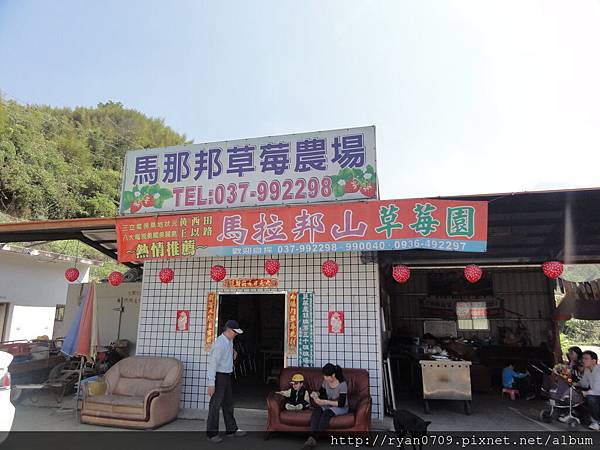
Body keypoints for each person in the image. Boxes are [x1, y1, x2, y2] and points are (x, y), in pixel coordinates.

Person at [206, 320, 247, 443]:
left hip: (227, 376)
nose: (236, 335)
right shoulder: (220, 344)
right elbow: (213, 364)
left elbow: (229, 349)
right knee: (215, 405)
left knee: (228, 403)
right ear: (229, 330)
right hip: (219, 377)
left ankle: (231, 429)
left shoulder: (229, 341)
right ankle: (212, 434)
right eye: (235, 332)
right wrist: (211, 383)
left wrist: (233, 352)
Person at [303, 364, 348, 450]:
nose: (325, 378)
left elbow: (341, 403)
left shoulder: (342, 384)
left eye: (327, 376)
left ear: (333, 375)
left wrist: (325, 402)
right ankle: (311, 438)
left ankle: (314, 438)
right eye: (324, 376)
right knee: (317, 411)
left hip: (341, 407)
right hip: (329, 404)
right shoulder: (325, 382)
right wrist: (316, 394)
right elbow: (321, 392)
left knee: (326, 414)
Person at [578, 351, 600, 431]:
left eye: (586, 358)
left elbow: (597, 390)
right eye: (583, 358)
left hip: (597, 393)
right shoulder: (587, 370)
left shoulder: (598, 371)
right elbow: (584, 384)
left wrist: (586, 393)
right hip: (595, 393)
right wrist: (575, 383)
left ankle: (597, 422)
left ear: (593, 361)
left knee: (591, 397)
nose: (583, 360)